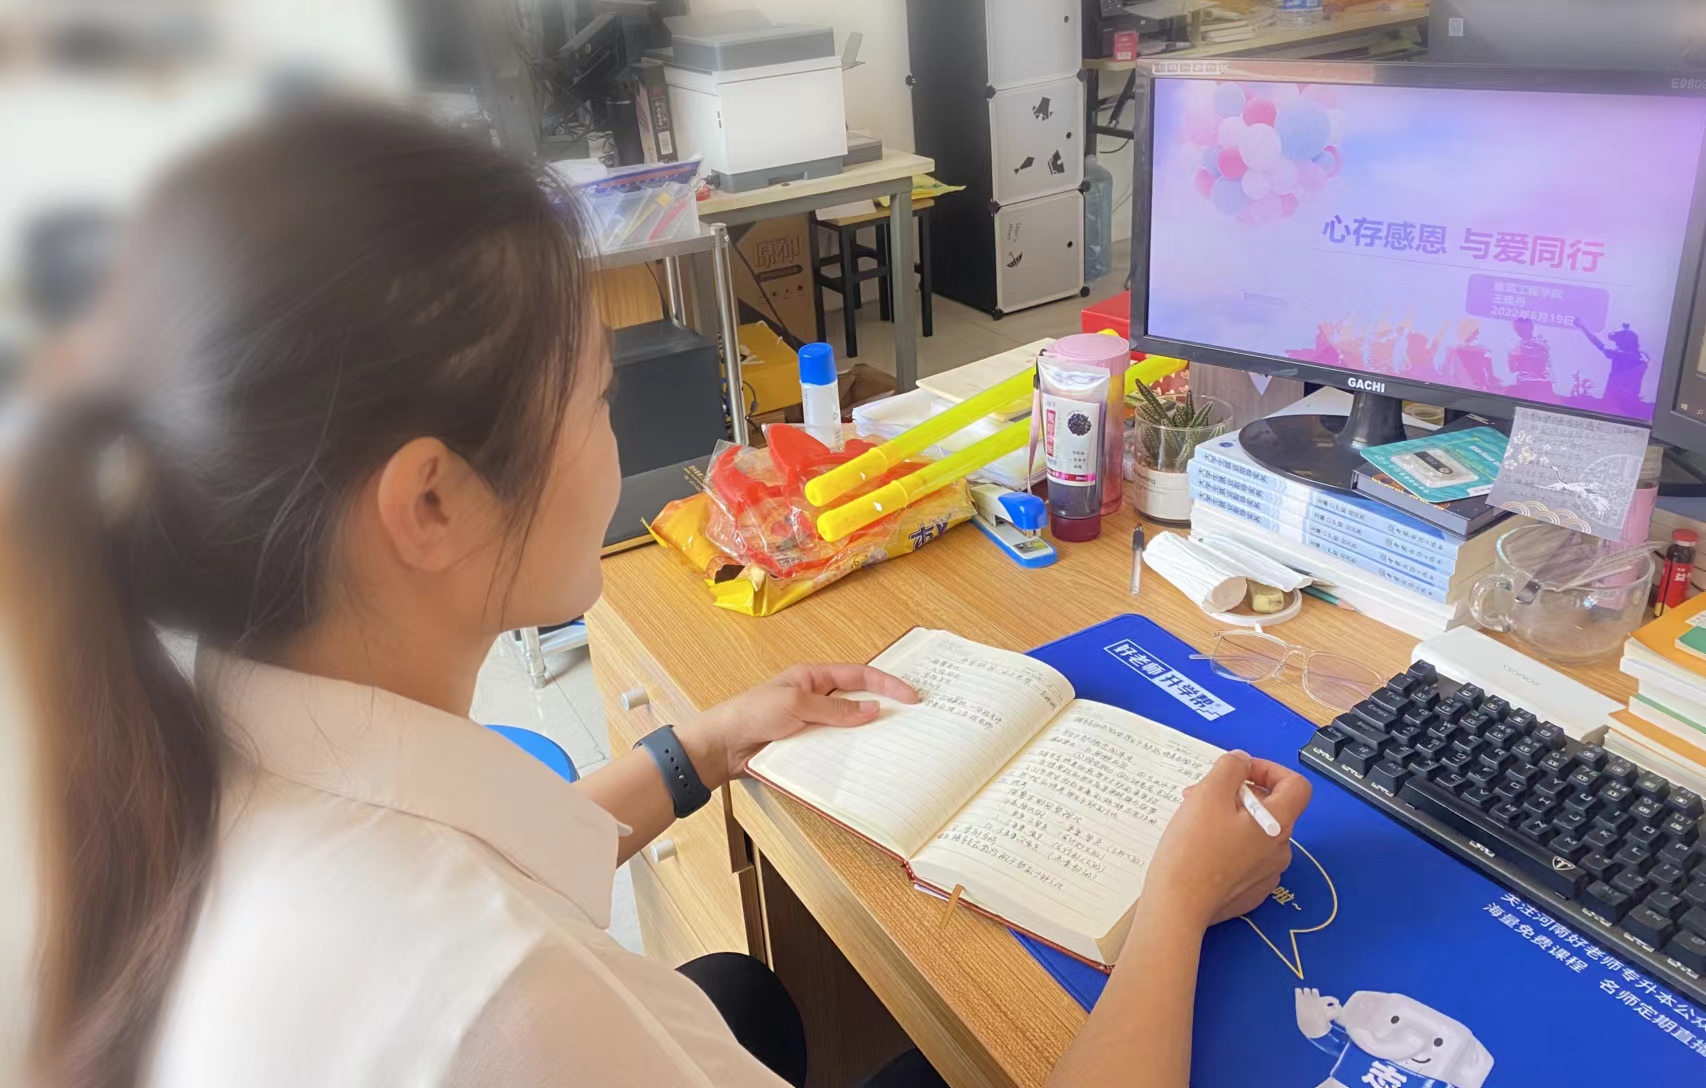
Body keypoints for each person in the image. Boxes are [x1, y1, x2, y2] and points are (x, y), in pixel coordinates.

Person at [6, 103, 1311, 1088]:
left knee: (746, 990)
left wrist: (706, 747)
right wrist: (1173, 899)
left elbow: (483, 864)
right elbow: (492, 966)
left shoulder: (184, 742)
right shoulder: (498, 994)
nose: (617, 442)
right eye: (593, 398)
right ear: (430, 503)